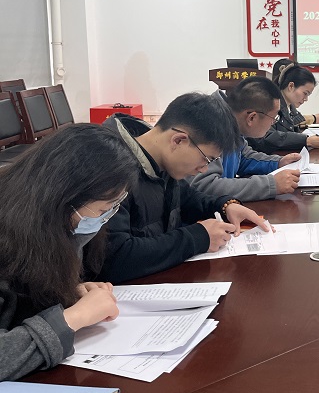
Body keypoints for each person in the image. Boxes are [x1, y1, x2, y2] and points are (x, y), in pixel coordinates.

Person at [0, 123, 139, 381]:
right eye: (102, 210)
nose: (105, 218)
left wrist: (67, 295)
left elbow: (22, 298)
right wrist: (72, 318)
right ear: (64, 195)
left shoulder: (53, 224)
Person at [100, 92, 272, 283]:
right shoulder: (110, 169)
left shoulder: (161, 159)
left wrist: (225, 206)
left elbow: (187, 197)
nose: (204, 169)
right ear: (179, 140)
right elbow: (116, 258)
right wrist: (198, 238)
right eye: (206, 159)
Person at [189, 77, 301, 202]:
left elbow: (243, 158)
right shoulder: (210, 127)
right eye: (273, 118)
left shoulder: (232, 121)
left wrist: (278, 163)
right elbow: (204, 186)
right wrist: (270, 185)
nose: (273, 123)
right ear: (251, 117)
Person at [249, 62, 319, 153]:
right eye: (305, 93)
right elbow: (266, 136)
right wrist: (305, 140)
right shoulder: (269, 103)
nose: (306, 99)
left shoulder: (289, 107)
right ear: (291, 86)